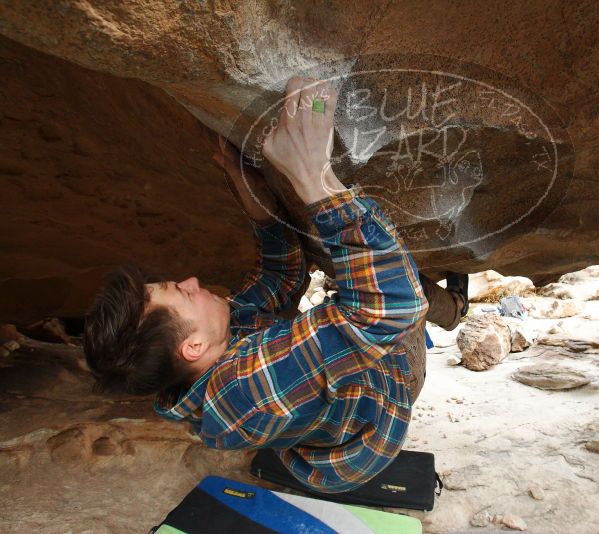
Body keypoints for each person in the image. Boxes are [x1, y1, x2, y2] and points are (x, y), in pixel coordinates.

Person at [84, 76, 467, 493]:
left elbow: (279, 274)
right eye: (183, 293)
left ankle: (446, 303)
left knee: (347, 263)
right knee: (404, 285)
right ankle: (455, 309)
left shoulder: (208, 349)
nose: (193, 281)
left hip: (330, 410)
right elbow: (393, 307)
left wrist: (244, 177)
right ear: (191, 346)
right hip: (385, 394)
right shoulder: (244, 389)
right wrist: (313, 175)